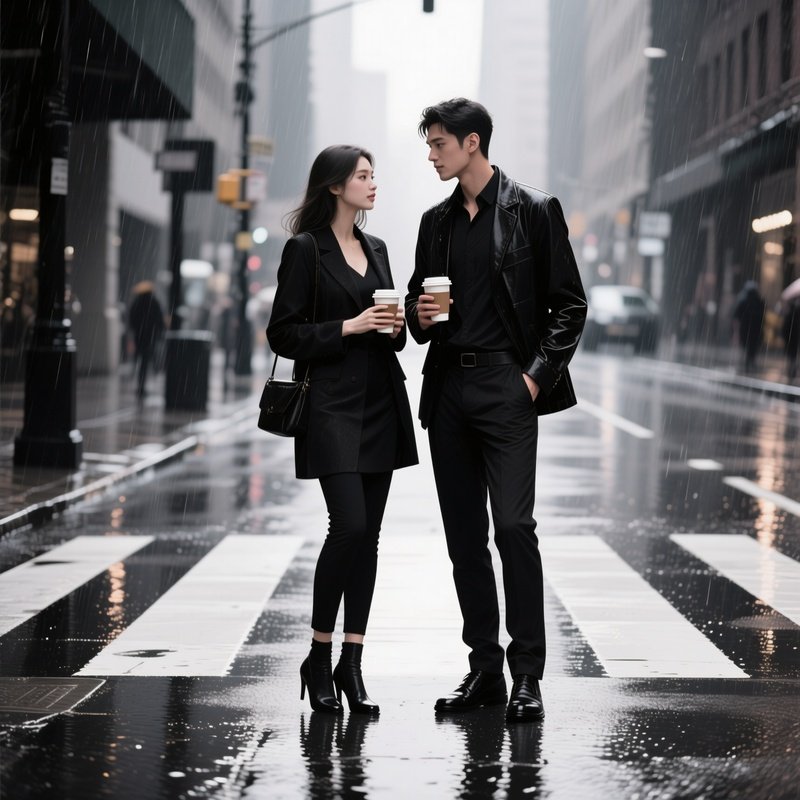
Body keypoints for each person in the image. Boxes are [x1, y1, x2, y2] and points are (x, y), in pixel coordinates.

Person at [405, 99, 586, 723]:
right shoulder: (436, 223)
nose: (430, 154)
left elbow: (570, 306)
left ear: (472, 142)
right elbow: (415, 308)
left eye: (438, 144)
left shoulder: (533, 209)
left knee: (513, 528)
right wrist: (418, 316)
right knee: (464, 539)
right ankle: (483, 669)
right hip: (448, 392)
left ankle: (527, 674)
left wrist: (533, 381)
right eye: (429, 144)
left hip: (508, 391)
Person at [267, 145, 418, 716]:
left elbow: (393, 334)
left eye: (374, 174)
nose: (373, 183)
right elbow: (282, 333)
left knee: (370, 536)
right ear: (335, 186)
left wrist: (395, 323)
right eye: (362, 175)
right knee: (349, 526)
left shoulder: (377, 248)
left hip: (380, 398)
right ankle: (317, 653)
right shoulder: (304, 250)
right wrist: (349, 326)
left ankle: (351, 664)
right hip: (329, 405)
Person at [128, 281, 165, 399]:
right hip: (150, 336)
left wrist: (136, 330)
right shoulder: (154, 303)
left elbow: (132, 320)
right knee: (145, 360)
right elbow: (159, 320)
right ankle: (142, 384)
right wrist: (159, 332)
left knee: (140, 359)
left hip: (140, 336)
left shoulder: (137, 303)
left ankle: (140, 383)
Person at [732, 280, 765, 372]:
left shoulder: (743, 301)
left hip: (745, 329)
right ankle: (751, 361)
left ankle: (748, 363)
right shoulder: (759, 301)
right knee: (752, 347)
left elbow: (736, 317)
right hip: (756, 329)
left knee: (747, 346)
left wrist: (736, 332)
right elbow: (762, 318)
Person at [782, 298, 800, 380]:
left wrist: (785, 338)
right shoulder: (796, 317)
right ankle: (792, 371)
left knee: (791, 356)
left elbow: (785, 329)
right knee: (793, 356)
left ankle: (791, 371)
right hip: (795, 340)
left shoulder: (789, 316)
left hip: (790, 340)